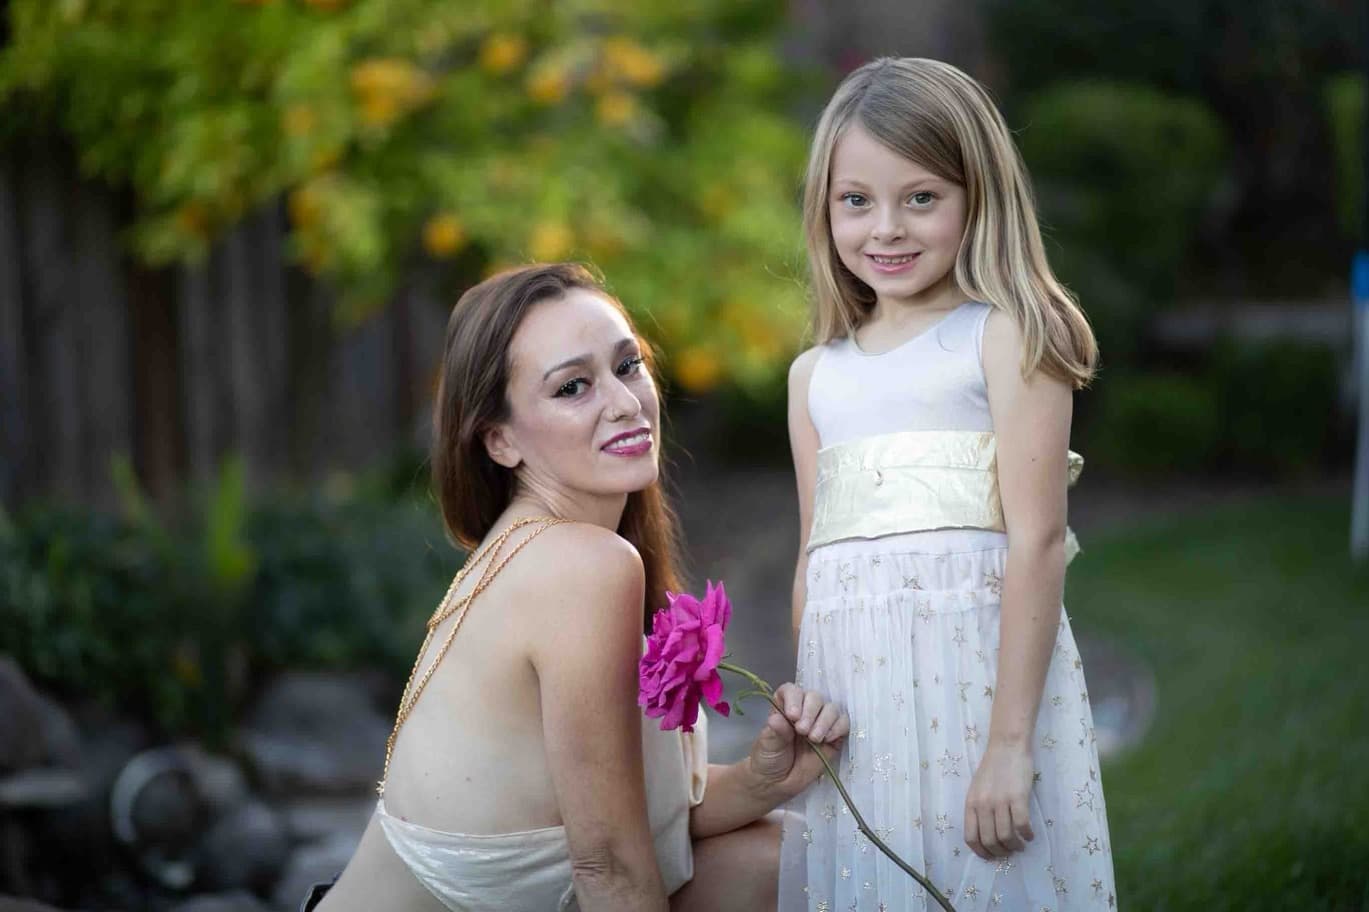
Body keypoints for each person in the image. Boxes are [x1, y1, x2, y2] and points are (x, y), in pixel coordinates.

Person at [312, 263, 849, 912]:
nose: (624, 403)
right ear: (501, 440)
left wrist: (760, 781)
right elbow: (610, 867)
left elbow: (623, 815)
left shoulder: (540, 544)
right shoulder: (578, 566)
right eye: (572, 387)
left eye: (628, 366)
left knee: (788, 858)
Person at [779, 58, 1117, 910]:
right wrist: (805, 701)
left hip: (979, 699)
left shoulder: (1002, 338)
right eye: (856, 200)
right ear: (825, 208)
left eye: (920, 198)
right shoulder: (814, 378)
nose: (885, 228)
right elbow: (815, 561)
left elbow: (1037, 542)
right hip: (861, 718)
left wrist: (1008, 744)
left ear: (977, 196)